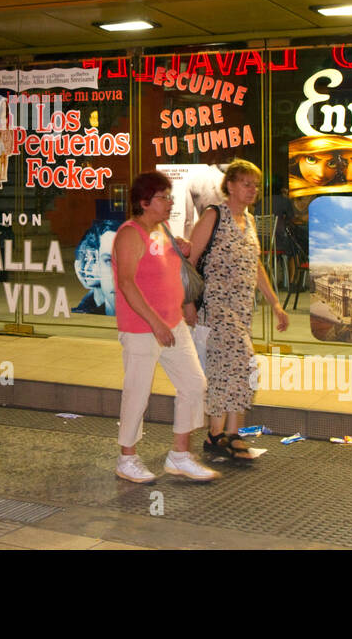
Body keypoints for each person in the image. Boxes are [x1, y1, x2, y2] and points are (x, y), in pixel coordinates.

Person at [113, 171, 217, 483]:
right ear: (144, 202)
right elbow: (127, 284)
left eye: (170, 196)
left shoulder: (163, 229)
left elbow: (175, 272)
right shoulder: (130, 234)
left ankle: (180, 455)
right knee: (137, 393)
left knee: (194, 385)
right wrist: (155, 323)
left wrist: (186, 304)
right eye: (163, 197)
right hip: (142, 328)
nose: (170, 202)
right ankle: (126, 457)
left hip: (172, 323)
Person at [188, 159, 288, 461]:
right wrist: (187, 305)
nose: (252, 190)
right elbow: (189, 260)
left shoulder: (250, 221)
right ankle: (226, 434)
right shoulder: (213, 216)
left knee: (230, 371)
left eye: (255, 186)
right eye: (246, 184)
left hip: (242, 310)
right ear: (230, 185)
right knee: (242, 367)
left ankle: (220, 435)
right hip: (216, 310)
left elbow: (254, 264)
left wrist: (274, 302)